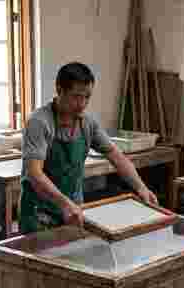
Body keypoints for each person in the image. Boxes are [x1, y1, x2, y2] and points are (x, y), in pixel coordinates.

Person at [19, 61, 159, 234]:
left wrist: (141, 187)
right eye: (76, 96)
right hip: (38, 214)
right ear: (59, 90)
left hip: (73, 212)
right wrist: (64, 203)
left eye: (87, 97)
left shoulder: (87, 124)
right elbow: (34, 174)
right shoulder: (39, 122)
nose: (82, 103)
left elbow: (116, 156)